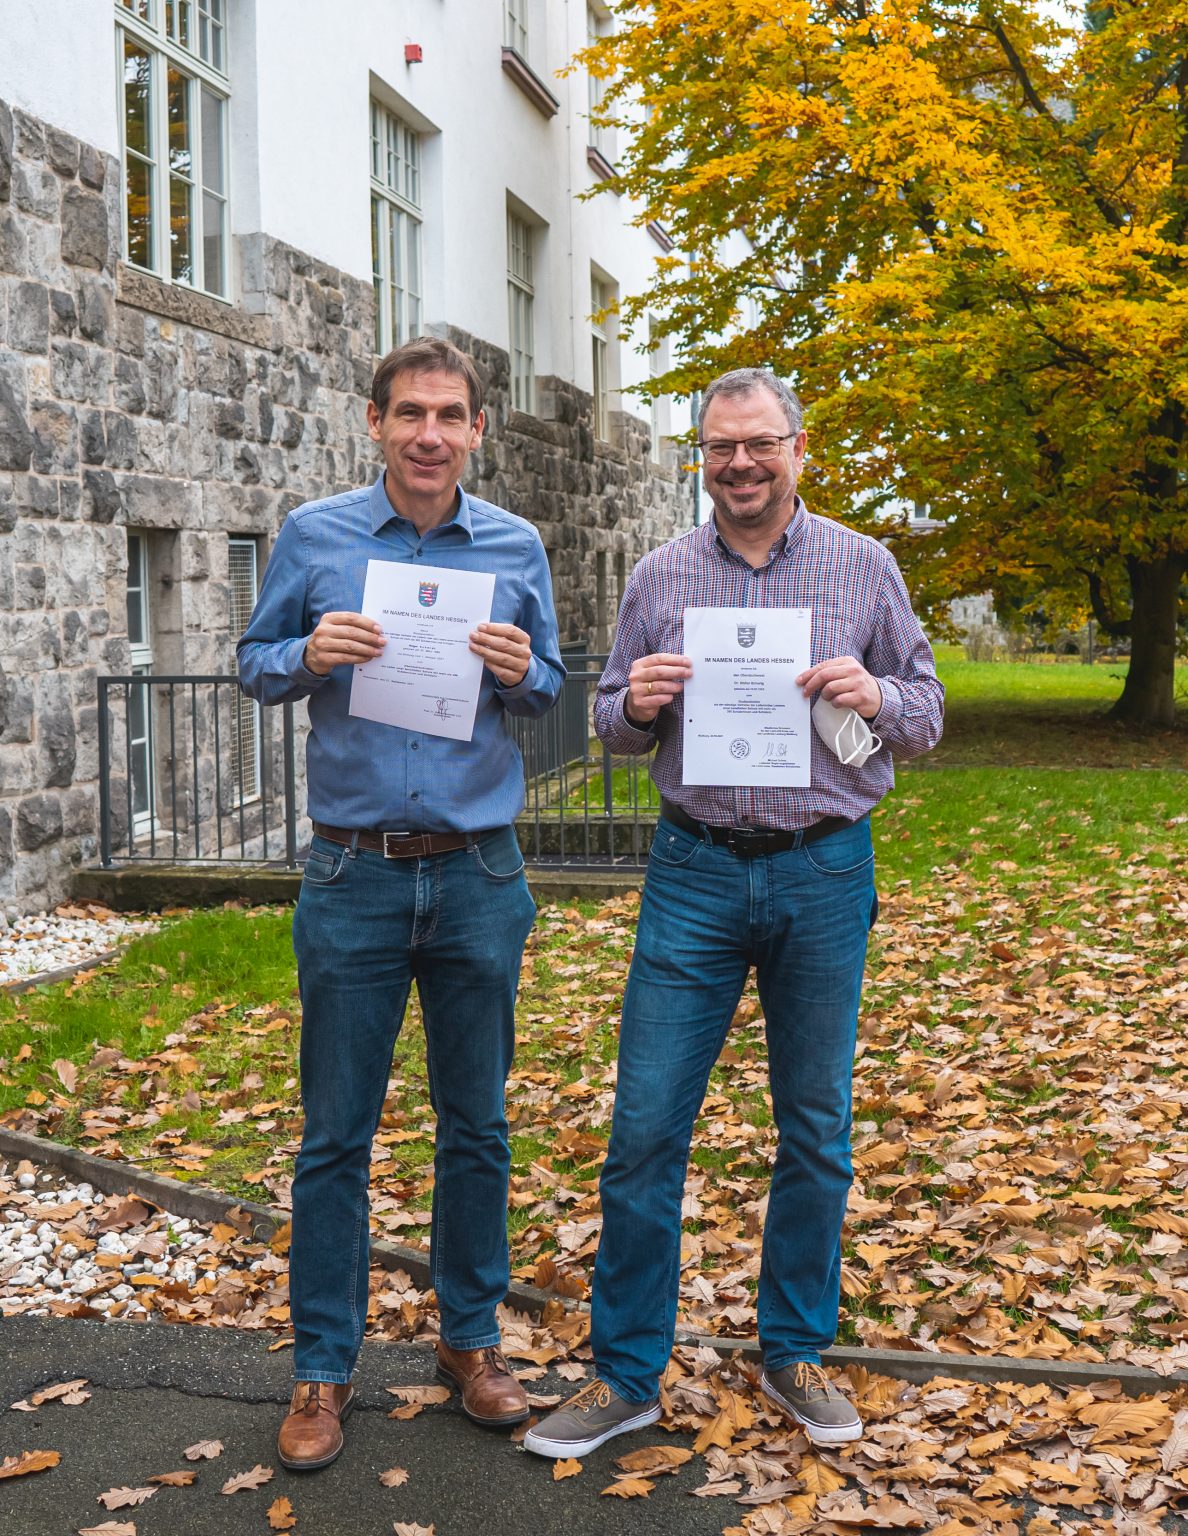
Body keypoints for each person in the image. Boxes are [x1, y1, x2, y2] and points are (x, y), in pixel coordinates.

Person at [524, 367, 943, 1459]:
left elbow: (927, 710)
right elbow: (608, 717)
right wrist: (638, 705)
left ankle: (794, 1349)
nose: (741, 465)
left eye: (761, 445)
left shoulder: (864, 566)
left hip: (822, 867)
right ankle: (625, 1374)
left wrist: (877, 697)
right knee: (646, 1128)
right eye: (720, 448)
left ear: (799, 450)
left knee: (815, 1130)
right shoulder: (662, 574)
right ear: (699, 457)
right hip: (695, 871)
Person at [238, 335, 563, 1471]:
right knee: (336, 1136)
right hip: (353, 870)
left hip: (478, 872)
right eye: (410, 412)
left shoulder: (515, 545)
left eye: (452, 415)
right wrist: (309, 653)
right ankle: (323, 1370)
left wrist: (525, 671)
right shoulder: (315, 536)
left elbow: (554, 688)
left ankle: (468, 1343)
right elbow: (255, 659)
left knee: (476, 1126)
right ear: (372, 420)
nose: (431, 433)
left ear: (478, 431)